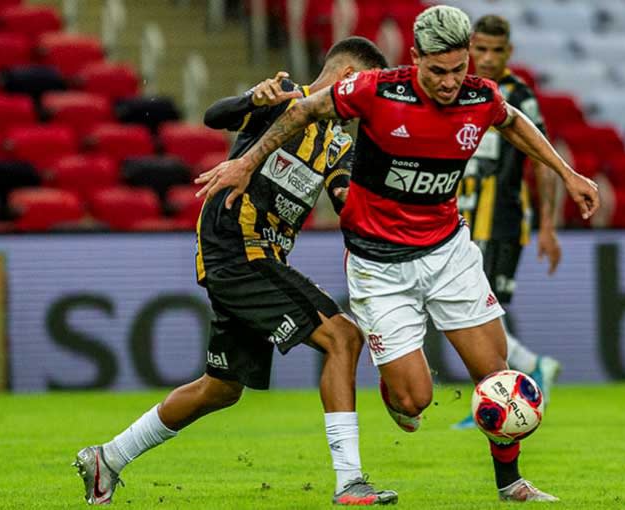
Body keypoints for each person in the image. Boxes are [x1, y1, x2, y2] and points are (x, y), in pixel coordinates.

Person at [196, 5, 599, 502]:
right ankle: (399, 390)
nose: (450, 82)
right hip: (380, 266)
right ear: (416, 60)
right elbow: (302, 110)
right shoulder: (377, 90)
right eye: (437, 71)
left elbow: (511, 120)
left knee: (497, 377)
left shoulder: (479, 96)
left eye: (458, 69)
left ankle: (510, 482)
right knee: (415, 401)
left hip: (448, 253)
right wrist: (247, 162)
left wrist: (567, 173)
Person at [73, 37, 398, 506]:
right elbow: (215, 117)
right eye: (364, 88)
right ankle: (350, 482)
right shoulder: (286, 97)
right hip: (238, 247)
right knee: (342, 338)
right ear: (347, 76)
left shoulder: (340, 143)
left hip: (261, 256)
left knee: (221, 388)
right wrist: (251, 98)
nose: (362, 104)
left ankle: (108, 458)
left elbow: (347, 199)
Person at [453, 14, 562, 430]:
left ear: (509, 52)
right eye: (480, 49)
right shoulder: (455, 90)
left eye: (496, 51)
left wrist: (548, 226)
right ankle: (531, 370)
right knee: (469, 313)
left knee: (481, 316)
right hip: (458, 221)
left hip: (500, 223)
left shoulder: (519, 95)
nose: (487, 58)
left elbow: (544, 162)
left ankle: (505, 388)